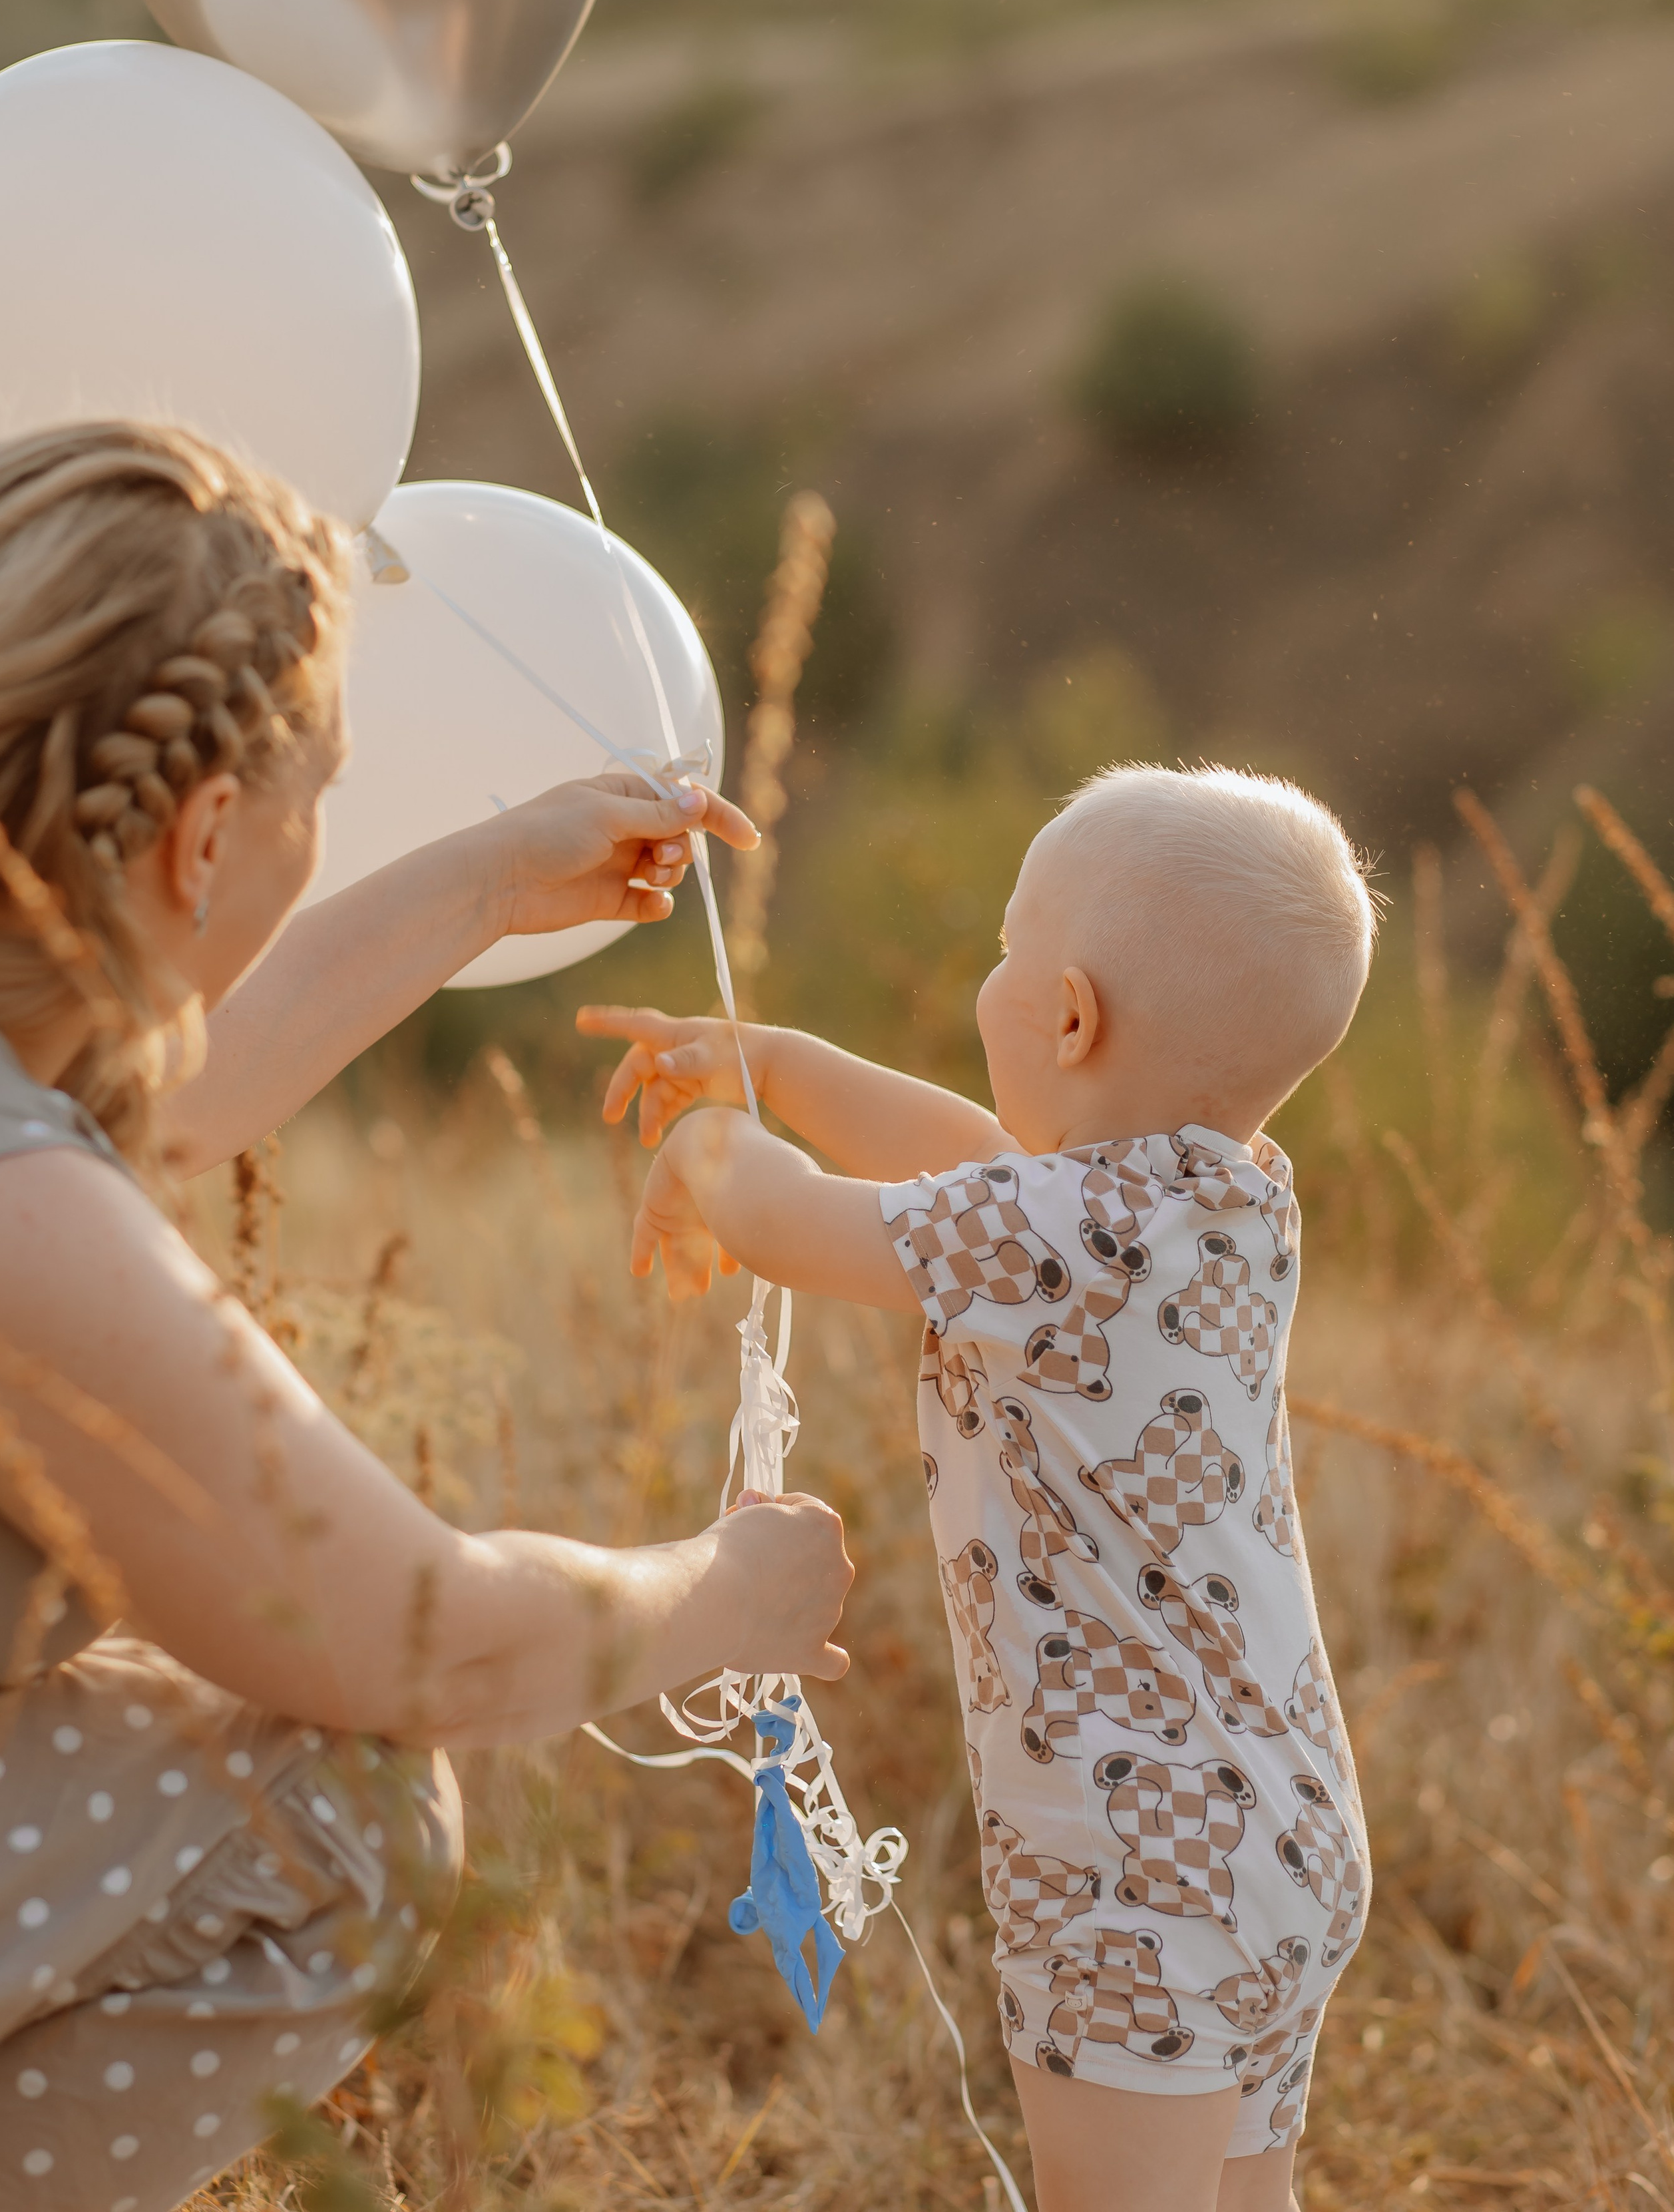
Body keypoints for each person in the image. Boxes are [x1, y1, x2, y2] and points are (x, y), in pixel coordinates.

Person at [0, 421, 855, 2211]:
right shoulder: (7, 1201)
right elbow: (420, 1644)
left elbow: (157, 1101)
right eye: (324, 798)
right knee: (335, 1812)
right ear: (205, 838)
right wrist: (726, 1593)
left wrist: (486, 881)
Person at [581, 764, 1378, 2212]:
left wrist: (710, 1146)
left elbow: (789, 1221)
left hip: (1135, 1865)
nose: (987, 980)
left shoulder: (1049, 1233)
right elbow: (984, 1166)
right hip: (1290, 1835)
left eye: (1007, 951)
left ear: (1068, 1017)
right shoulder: (1228, 1205)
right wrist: (779, 1067)